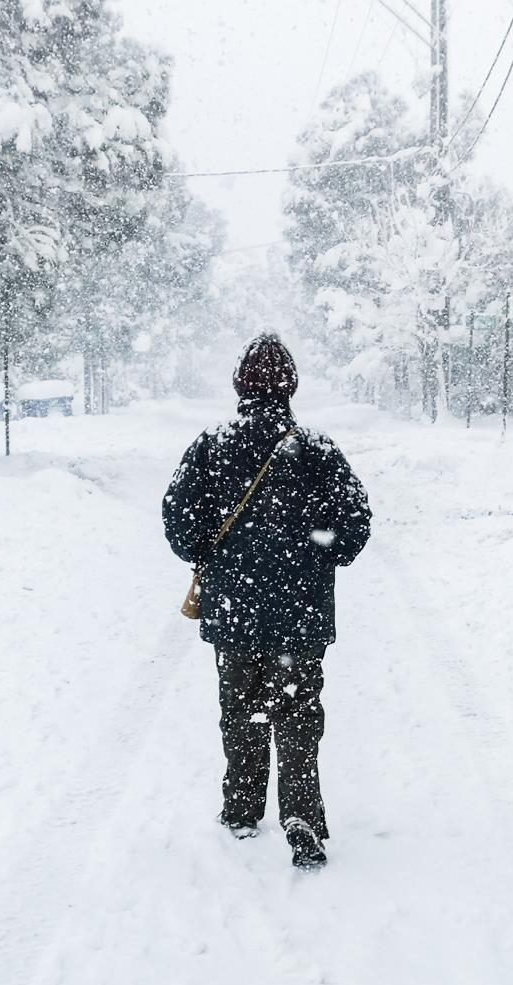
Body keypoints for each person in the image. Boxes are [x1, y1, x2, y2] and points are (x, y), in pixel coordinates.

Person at [162, 330, 371, 869]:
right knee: (298, 710)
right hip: (300, 612)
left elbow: (178, 519)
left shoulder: (212, 444)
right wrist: (322, 552)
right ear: (291, 387)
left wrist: (209, 548)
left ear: (240, 385)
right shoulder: (316, 449)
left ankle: (242, 807)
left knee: (241, 709)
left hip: (234, 608)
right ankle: (301, 811)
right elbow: (355, 523)